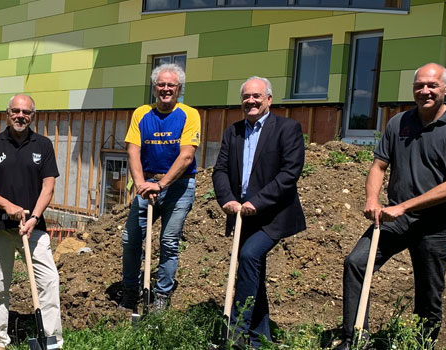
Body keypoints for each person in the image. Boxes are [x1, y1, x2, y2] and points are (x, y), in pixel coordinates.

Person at [338, 62, 446, 348]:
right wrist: (372, 199)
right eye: (419, 86)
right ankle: (353, 339)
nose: (425, 91)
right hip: (395, 219)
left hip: (437, 223)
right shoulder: (398, 122)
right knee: (357, 263)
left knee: (428, 290)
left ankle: (422, 344)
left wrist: (403, 206)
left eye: (432, 86)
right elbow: (379, 166)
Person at [212, 77, 306, 347]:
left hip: (274, 214)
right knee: (253, 270)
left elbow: (290, 173)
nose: (250, 101)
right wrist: (227, 200)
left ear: (269, 99)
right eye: (246, 97)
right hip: (242, 214)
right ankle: (259, 338)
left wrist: (258, 202)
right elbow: (220, 170)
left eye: (256, 96)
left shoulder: (287, 129)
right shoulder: (234, 132)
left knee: (250, 256)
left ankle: (237, 334)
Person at [0, 94, 63, 350]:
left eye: (26, 112)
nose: (20, 115)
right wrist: (7, 206)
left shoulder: (43, 144)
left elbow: (48, 186)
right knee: (0, 286)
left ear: (33, 116)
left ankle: (52, 339)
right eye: (16, 111)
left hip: (33, 227)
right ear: (7, 113)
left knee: (49, 281)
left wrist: (34, 216)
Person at [119, 63, 201, 311]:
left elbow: (187, 156)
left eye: (171, 85)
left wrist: (162, 184)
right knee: (130, 238)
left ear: (179, 89)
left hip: (179, 185)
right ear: (154, 88)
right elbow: (133, 150)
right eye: (161, 84)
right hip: (147, 185)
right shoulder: (141, 113)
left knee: (168, 240)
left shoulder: (189, 114)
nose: (166, 89)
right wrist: (142, 183)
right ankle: (131, 290)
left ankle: (162, 295)